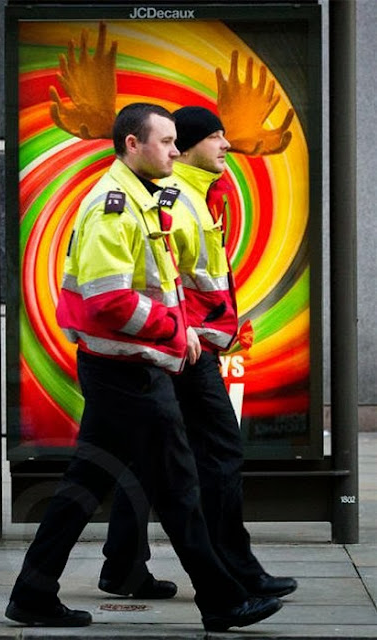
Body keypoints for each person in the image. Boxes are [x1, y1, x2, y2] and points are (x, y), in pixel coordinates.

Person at [5, 102, 283, 631]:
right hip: (128, 372)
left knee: (84, 486)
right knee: (178, 486)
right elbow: (106, 301)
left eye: (177, 141)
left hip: (123, 368)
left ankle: (32, 593)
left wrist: (180, 334)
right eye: (166, 141)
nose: (176, 151)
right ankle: (222, 600)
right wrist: (177, 332)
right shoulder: (113, 208)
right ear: (132, 145)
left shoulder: (140, 199)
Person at [98, 106, 298, 601]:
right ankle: (235, 570)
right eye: (216, 137)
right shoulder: (179, 200)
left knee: (142, 456)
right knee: (220, 453)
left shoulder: (192, 196)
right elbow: (164, 283)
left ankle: (123, 567)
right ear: (185, 148)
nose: (226, 145)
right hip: (187, 348)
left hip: (179, 344)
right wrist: (193, 335)